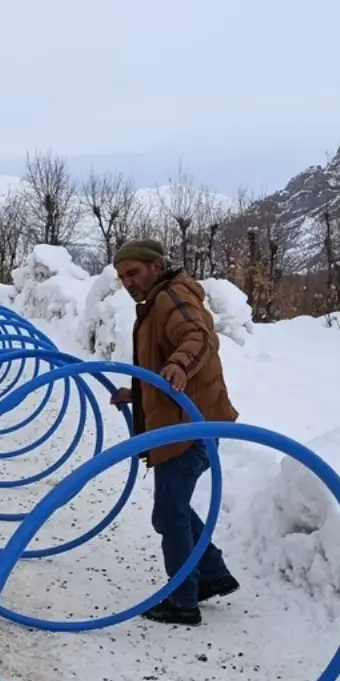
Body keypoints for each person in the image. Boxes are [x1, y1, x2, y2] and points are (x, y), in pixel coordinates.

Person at [110, 239, 240, 627]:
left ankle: (183, 601)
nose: (127, 282)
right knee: (174, 507)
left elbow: (198, 337)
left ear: (156, 266)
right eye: (121, 277)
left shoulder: (172, 298)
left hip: (190, 428)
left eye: (133, 273)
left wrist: (181, 364)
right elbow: (160, 370)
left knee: (169, 513)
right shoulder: (158, 301)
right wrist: (137, 393)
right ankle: (212, 573)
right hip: (183, 423)